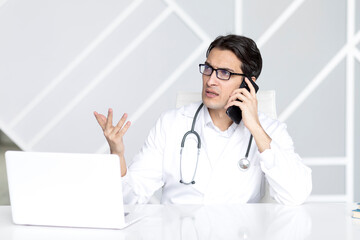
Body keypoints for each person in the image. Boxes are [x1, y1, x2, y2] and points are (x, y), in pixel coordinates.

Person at [94, 34, 312, 205]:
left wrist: (255, 128)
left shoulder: (270, 131)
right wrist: (118, 154)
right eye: (208, 69)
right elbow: (129, 198)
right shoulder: (171, 124)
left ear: (248, 84)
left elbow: (296, 195)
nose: (211, 80)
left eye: (224, 73)